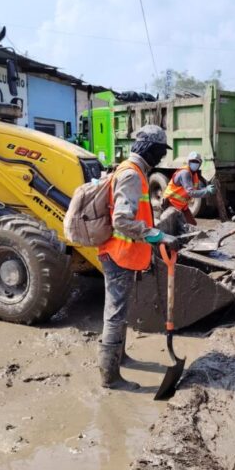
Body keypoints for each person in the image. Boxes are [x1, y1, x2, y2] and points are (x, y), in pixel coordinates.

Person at [97, 124, 180, 390]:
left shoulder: (134, 172)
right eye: (159, 151)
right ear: (148, 148)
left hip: (125, 254)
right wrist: (156, 235)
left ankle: (120, 357)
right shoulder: (132, 175)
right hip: (118, 255)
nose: (161, 158)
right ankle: (110, 377)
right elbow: (121, 220)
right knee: (115, 313)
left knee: (119, 311)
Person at [162, 151, 216, 225]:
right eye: (192, 161)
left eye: (197, 162)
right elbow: (191, 192)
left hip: (182, 205)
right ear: (188, 162)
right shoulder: (185, 173)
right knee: (177, 227)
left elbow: (198, 189)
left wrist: (207, 188)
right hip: (171, 203)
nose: (195, 164)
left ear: (200, 164)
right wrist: (207, 191)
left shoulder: (194, 175)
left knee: (192, 225)